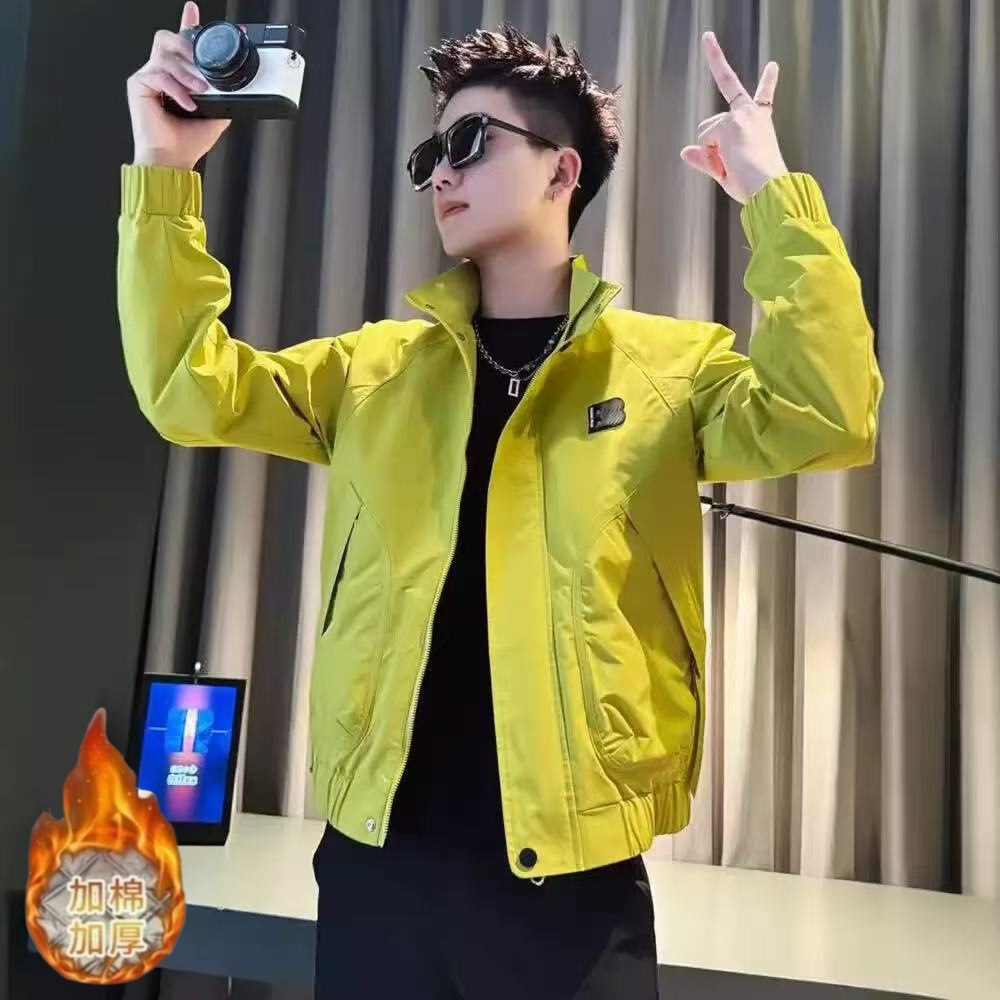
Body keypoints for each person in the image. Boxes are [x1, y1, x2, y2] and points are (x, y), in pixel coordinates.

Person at [119, 3, 884, 997]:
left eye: (470, 142)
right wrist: (164, 169)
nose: (440, 174)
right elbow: (187, 390)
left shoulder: (667, 370)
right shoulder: (374, 371)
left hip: (571, 888)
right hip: (376, 866)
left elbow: (828, 414)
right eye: (430, 154)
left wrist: (773, 195)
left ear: (563, 172)